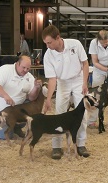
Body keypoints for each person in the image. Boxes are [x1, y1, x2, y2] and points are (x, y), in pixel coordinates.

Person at [42, 25, 90, 159]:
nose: (47, 46)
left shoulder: (75, 44)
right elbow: (52, 79)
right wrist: (48, 99)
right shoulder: (48, 55)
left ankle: (80, 144)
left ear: (58, 38)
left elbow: (85, 64)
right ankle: (56, 146)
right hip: (62, 82)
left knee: (82, 113)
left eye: (49, 42)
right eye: (45, 43)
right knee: (59, 113)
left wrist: (85, 82)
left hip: (78, 79)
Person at [0, 55, 41, 139]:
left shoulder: (29, 77)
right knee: (3, 136)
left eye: (28, 68)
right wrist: (5, 96)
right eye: (23, 67)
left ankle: (16, 126)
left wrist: (36, 87)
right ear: (17, 63)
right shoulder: (4, 69)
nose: (25, 70)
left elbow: (31, 98)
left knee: (29, 105)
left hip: (14, 110)